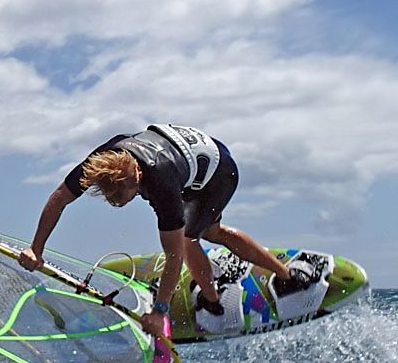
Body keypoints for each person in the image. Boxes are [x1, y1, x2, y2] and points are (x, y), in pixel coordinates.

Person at [17, 124, 314, 337]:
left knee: (191, 238)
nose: (120, 205)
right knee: (202, 233)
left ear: (137, 178)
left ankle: (221, 299)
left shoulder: (161, 182)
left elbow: (173, 256)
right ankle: (214, 287)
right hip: (193, 158)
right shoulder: (104, 160)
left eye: (124, 198)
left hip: (219, 174)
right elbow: (60, 197)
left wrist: (160, 312)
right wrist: (36, 249)